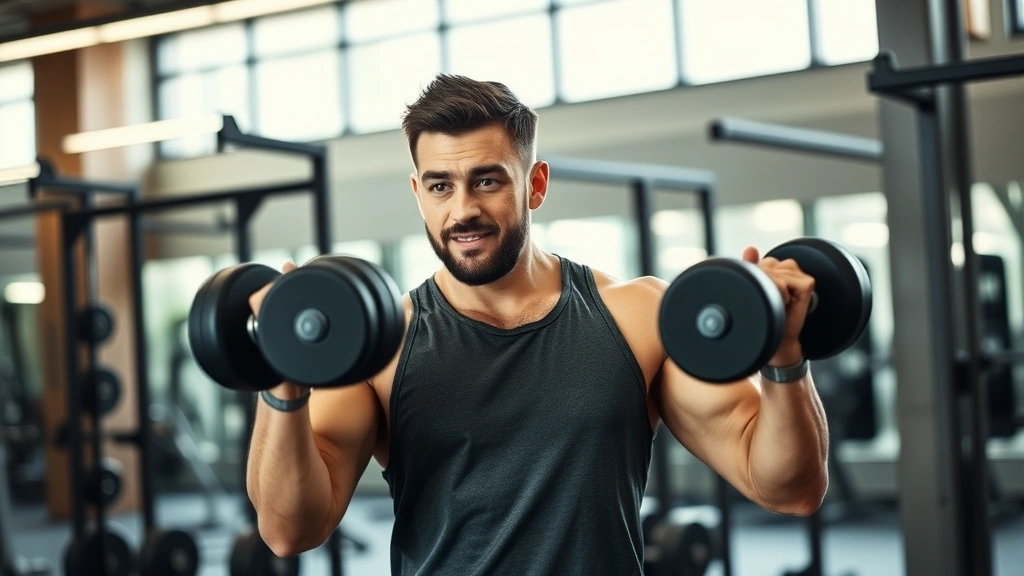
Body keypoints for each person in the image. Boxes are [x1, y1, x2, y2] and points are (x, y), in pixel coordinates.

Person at [245, 74, 829, 575]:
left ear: (536, 184)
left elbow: (788, 487)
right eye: (440, 186)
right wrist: (285, 379)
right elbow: (289, 530)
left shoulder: (638, 316)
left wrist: (783, 355)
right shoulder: (382, 345)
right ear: (418, 193)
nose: (463, 209)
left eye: (488, 180)